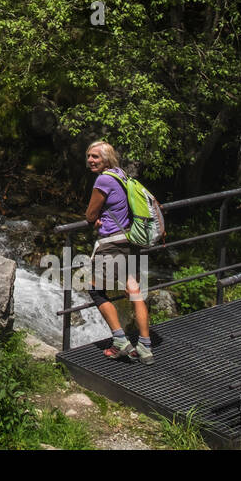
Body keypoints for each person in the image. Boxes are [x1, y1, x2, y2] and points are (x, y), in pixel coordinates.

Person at [84, 140, 153, 364]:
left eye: (95, 156)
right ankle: (145, 345)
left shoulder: (103, 180)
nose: (91, 160)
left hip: (112, 243)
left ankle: (120, 341)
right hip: (130, 240)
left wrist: (94, 221)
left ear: (107, 158)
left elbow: (90, 215)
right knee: (134, 290)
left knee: (95, 290)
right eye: (89, 156)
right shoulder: (121, 174)